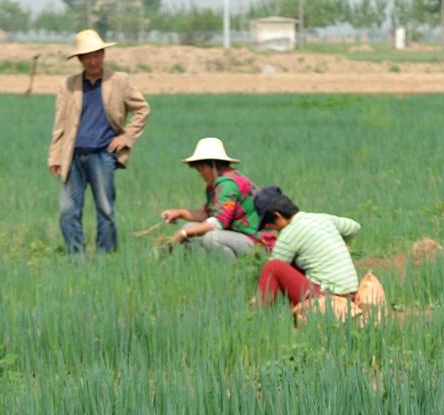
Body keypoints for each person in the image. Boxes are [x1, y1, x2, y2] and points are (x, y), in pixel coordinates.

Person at [49, 29, 151, 255]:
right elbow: (60, 124)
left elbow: (142, 109)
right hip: (73, 156)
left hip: (102, 155)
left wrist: (126, 137)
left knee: (105, 210)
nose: (93, 60)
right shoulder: (69, 85)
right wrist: (55, 157)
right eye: (87, 56)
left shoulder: (119, 81)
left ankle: (106, 258)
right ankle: (76, 259)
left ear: (104, 55)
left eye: (97, 55)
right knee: (68, 211)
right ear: (79, 59)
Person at [161, 138, 275, 259]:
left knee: (211, 238)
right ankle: (202, 269)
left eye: (202, 169)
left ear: (214, 165)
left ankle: (233, 272)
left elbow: (218, 222)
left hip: (257, 241)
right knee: (188, 227)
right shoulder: (216, 184)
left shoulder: (227, 184)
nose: (201, 175)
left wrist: (182, 234)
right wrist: (180, 213)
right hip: (238, 236)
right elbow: (209, 213)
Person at [252, 186, 361, 307]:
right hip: (351, 293)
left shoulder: (289, 233)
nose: (271, 229)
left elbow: (275, 270)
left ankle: (258, 314)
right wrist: (342, 243)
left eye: (269, 224)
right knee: (295, 262)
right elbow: (354, 227)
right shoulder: (320, 218)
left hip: (326, 296)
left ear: (278, 215)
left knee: (272, 267)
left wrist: (255, 300)